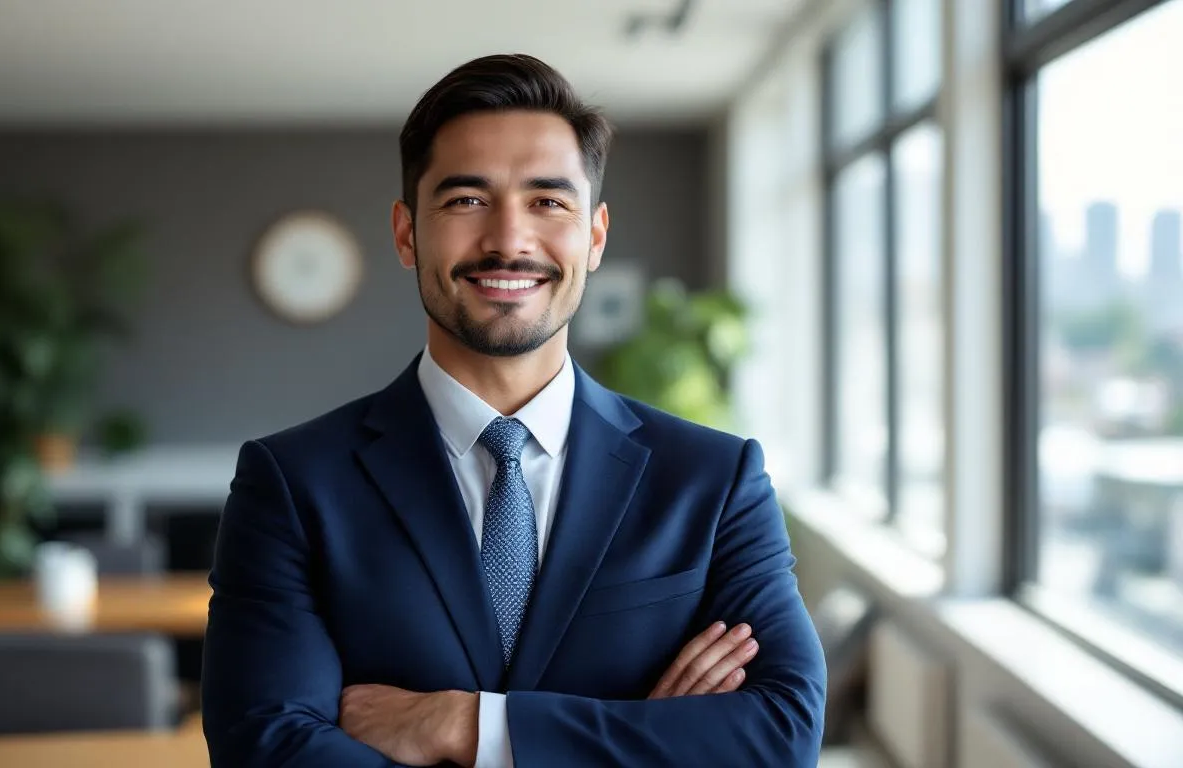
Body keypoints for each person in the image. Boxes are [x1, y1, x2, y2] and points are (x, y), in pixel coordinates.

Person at [201, 53, 827, 767]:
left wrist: (466, 727)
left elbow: (781, 735)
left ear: (594, 236)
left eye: (548, 202)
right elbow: (268, 751)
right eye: (467, 200)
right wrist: (643, 740)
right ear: (408, 234)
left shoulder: (714, 480)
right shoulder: (290, 483)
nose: (507, 239)